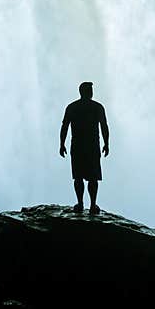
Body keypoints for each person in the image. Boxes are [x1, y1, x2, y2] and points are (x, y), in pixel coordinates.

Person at [60, 81, 109, 214]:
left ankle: (82, 204)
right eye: (90, 90)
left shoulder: (72, 107)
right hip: (92, 146)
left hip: (78, 146)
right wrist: (106, 143)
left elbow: (64, 127)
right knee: (90, 177)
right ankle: (92, 205)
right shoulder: (97, 107)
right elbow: (104, 127)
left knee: (79, 176)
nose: (91, 93)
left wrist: (62, 144)